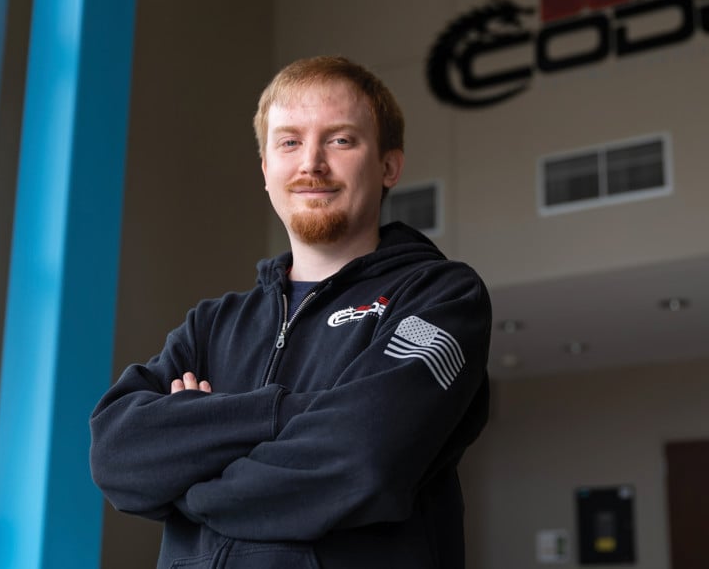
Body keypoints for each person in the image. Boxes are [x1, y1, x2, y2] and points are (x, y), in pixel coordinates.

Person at [90, 56, 492, 569]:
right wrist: (295, 413)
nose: (311, 164)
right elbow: (116, 455)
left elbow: (364, 459)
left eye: (340, 140)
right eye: (289, 142)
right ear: (265, 169)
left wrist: (192, 484)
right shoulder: (212, 324)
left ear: (389, 166)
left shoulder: (441, 297)